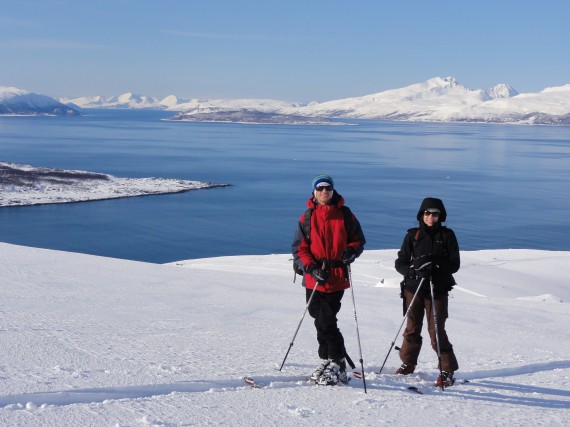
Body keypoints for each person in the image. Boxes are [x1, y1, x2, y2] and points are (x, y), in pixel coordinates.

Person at [291, 174, 365, 386]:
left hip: (336, 277)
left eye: (328, 188)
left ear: (333, 191)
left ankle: (336, 361)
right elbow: (299, 248)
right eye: (321, 188)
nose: (325, 191)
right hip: (314, 278)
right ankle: (329, 358)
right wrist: (312, 268)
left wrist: (351, 251)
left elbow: (358, 240)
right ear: (314, 192)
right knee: (318, 317)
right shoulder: (306, 217)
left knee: (326, 319)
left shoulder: (345, 215)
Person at [394, 197, 460, 387]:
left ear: (441, 216)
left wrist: (435, 263)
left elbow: (454, 264)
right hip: (413, 289)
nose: (431, 217)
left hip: (436, 290)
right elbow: (400, 262)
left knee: (436, 331)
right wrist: (414, 270)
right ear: (421, 215)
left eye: (435, 214)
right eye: (427, 213)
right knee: (412, 328)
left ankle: (447, 370)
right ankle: (408, 362)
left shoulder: (447, 236)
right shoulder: (412, 235)